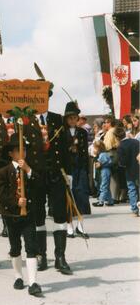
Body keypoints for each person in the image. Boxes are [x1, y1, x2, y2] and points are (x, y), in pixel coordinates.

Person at [23, 92, 72, 275]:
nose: (42, 100)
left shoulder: (57, 119)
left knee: (60, 214)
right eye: (38, 96)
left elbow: (65, 147)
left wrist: (69, 173)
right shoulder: (25, 121)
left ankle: (60, 257)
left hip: (56, 174)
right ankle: (41, 255)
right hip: (35, 175)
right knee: (38, 215)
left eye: (45, 96)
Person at [0, 133, 42, 296]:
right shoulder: (3, 172)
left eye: (25, 150)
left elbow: (40, 185)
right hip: (11, 215)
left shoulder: (29, 170)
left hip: (28, 215)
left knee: (31, 246)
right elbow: (0, 194)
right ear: (11, 153)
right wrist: (16, 203)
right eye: (18, 150)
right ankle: (18, 277)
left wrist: (28, 169)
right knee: (15, 247)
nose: (23, 153)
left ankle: (33, 282)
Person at [63, 102, 90, 239]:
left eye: (75, 118)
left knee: (81, 196)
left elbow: (85, 154)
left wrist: (86, 171)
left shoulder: (82, 133)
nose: (72, 121)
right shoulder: (62, 132)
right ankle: (69, 227)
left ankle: (80, 226)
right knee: (68, 197)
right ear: (66, 119)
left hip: (80, 169)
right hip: (68, 170)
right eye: (70, 118)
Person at [114, 127, 139, 216]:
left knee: (132, 189)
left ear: (116, 137)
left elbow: (123, 162)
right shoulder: (136, 141)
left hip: (129, 170)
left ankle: (135, 209)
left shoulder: (121, 146)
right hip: (138, 167)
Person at [92, 140, 113, 207]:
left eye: (95, 148)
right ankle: (110, 201)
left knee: (103, 186)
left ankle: (101, 201)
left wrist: (96, 163)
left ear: (98, 148)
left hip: (105, 171)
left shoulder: (102, 155)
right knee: (106, 186)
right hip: (106, 171)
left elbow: (99, 164)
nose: (94, 149)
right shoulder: (105, 154)